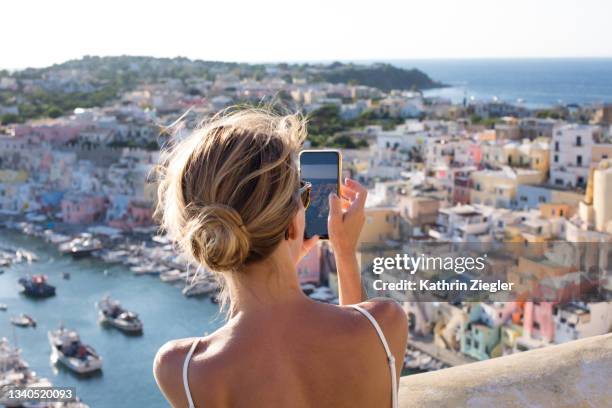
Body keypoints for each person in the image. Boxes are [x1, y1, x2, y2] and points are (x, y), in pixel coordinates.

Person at [153, 108, 408, 407]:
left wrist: (280, 255)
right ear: (291, 224)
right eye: (304, 194)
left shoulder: (183, 370)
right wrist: (344, 252)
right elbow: (358, 335)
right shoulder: (385, 324)